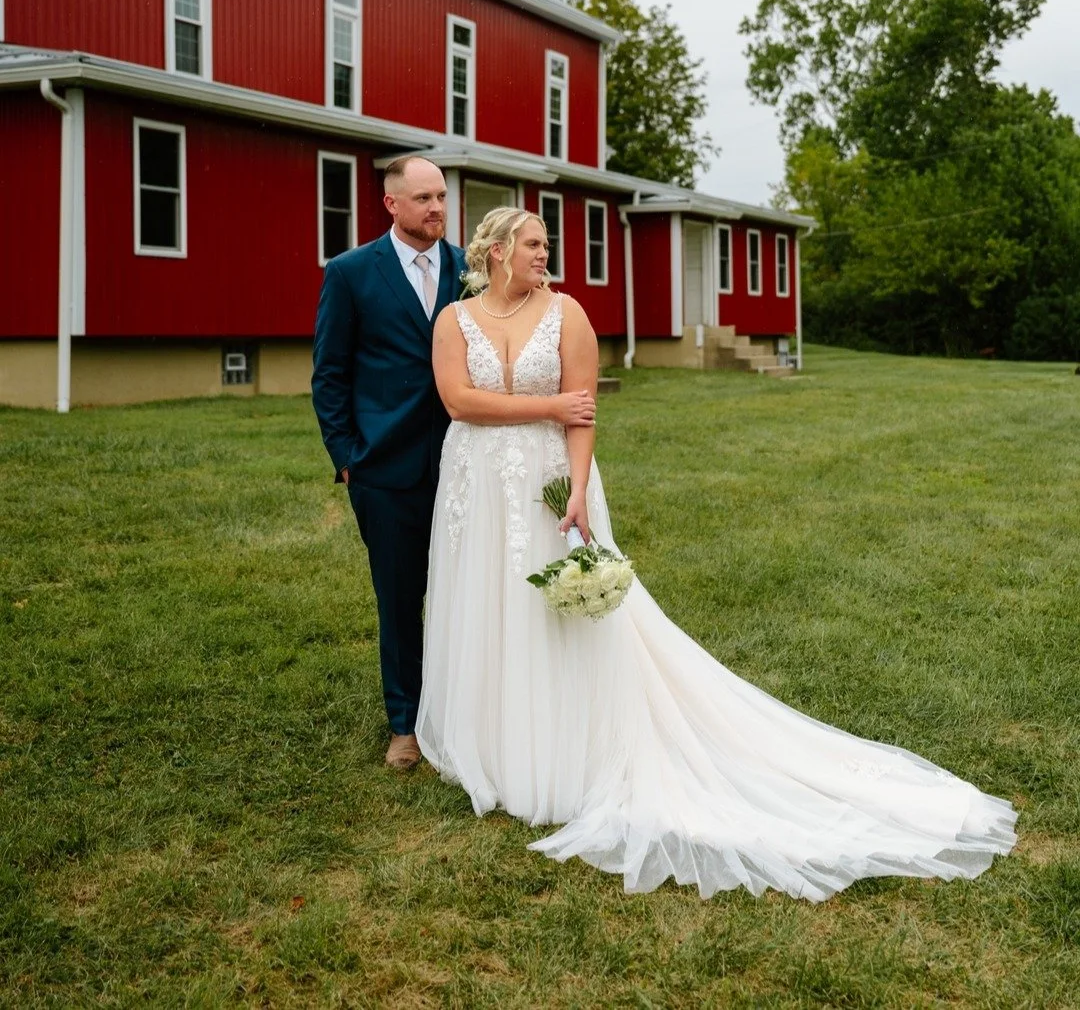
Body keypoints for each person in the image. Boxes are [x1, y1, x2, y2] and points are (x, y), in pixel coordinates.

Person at [416, 207, 1017, 900]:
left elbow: (584, 414)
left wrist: (578, 489)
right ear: (495, 252)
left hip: (550, 483)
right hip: (475, 485)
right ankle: (493, 745)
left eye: (546, 245)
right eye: (533, 245)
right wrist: (550, 410)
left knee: (558, 614)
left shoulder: (568, 314)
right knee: (486, 601)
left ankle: (557, 751)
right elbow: (459, 400)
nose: (545, 255)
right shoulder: (454, 322)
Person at [312, 160, 596, 770]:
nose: (436, 207)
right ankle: (405, 725)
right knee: (400, 594)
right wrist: (347, 461)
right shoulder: (351, 273)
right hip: (385, 467)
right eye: (423, 198)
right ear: (392, 204)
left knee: (472, 590)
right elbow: (329, 375)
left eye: (442, 196)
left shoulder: (469, 279)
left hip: (474, 465)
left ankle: (481, 713)